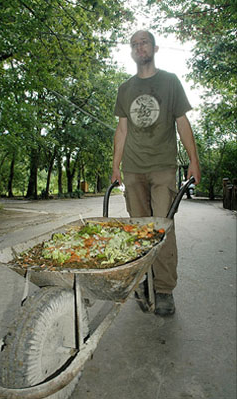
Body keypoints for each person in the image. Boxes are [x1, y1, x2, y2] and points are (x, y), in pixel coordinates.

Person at [111, 30, 201, 317]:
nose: (140, 47)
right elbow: (122, 129)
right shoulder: (125, 88)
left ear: (154, 47)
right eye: (134, 44)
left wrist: (194, 161)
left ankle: (164, 290)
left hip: (163, 167)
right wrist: (115, 166)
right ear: (132, 51)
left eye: (144, 42)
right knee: (139, 231)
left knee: (161, 228)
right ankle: (144, 282)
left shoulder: (170, 82)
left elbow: (182, 122)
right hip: (133, 169)